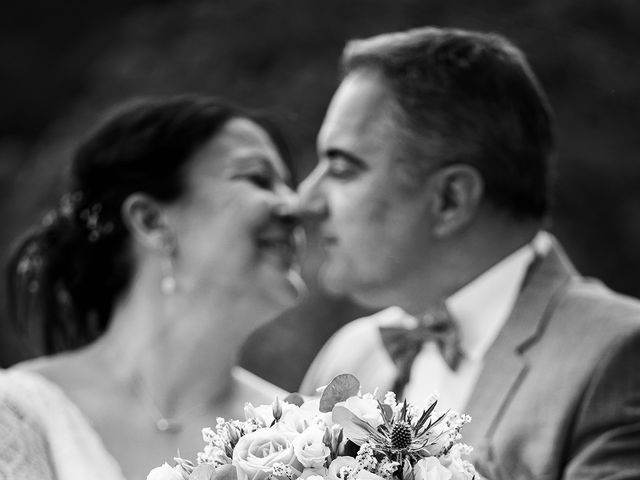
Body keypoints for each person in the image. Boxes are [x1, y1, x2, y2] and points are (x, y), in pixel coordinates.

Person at [298, 27, 640, 479]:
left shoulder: (617, 356)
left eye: (342, 168)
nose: (305, 199)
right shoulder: (350, 355)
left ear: (450, 200)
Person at [0, 95, 304, 480]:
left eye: (289, 186)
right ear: (151, 221)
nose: (297, 205)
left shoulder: (307, 434)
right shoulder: (14, 416)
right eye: (258, 179)